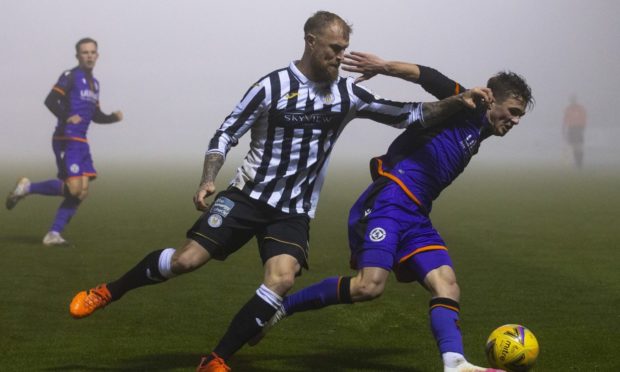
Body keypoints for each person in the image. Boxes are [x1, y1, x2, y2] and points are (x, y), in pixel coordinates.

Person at [67, 12, 492, 372]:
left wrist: (461, 101)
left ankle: (216, 359)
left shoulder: (346, 95)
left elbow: (410, 114)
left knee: (282, 279)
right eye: (334, 48)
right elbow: (226, 132)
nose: (340, 57)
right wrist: (207, 177)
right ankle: (110, 290)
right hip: (247, 195)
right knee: (186, 261)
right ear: (310, 41)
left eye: (345, 49)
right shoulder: (271, 86)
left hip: (293, 210)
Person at [251, 52, 533, 372]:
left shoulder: (481, 129)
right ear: (490, 98)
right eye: (512, 111)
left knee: (448, 285)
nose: (515, 121)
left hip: (416, 214)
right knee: (368, 286)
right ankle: (282, 307)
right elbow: (427, 75)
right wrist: (382, 67)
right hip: (389, 200)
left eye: (520, 115)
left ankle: (455, 363)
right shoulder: (468, 104)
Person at [5, 37, 123, 245]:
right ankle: (27, 188)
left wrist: (113, 117)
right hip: (66, 138)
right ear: (78, 56)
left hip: (81, 141)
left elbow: (95, 115)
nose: (89, 55)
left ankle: (53, 234)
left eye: (92, 52)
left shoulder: (95, 84)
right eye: (85, 52)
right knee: (74, 189)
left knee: (81, 193)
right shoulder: (70, 76)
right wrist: (66, 115)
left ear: (97, 55)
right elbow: (50, 100)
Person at [562, 94, 587, 168]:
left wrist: (582, 127)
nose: (572, 101)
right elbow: (565, 120)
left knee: (579, 146)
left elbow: (584, 118)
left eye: (573, 100)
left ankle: (579, 163)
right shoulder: (568, 109)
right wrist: (563, 129)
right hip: (571, 128)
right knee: (573, 146)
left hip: (578, 128)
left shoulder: (580, 109)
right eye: (571, 100)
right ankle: (576, 162)